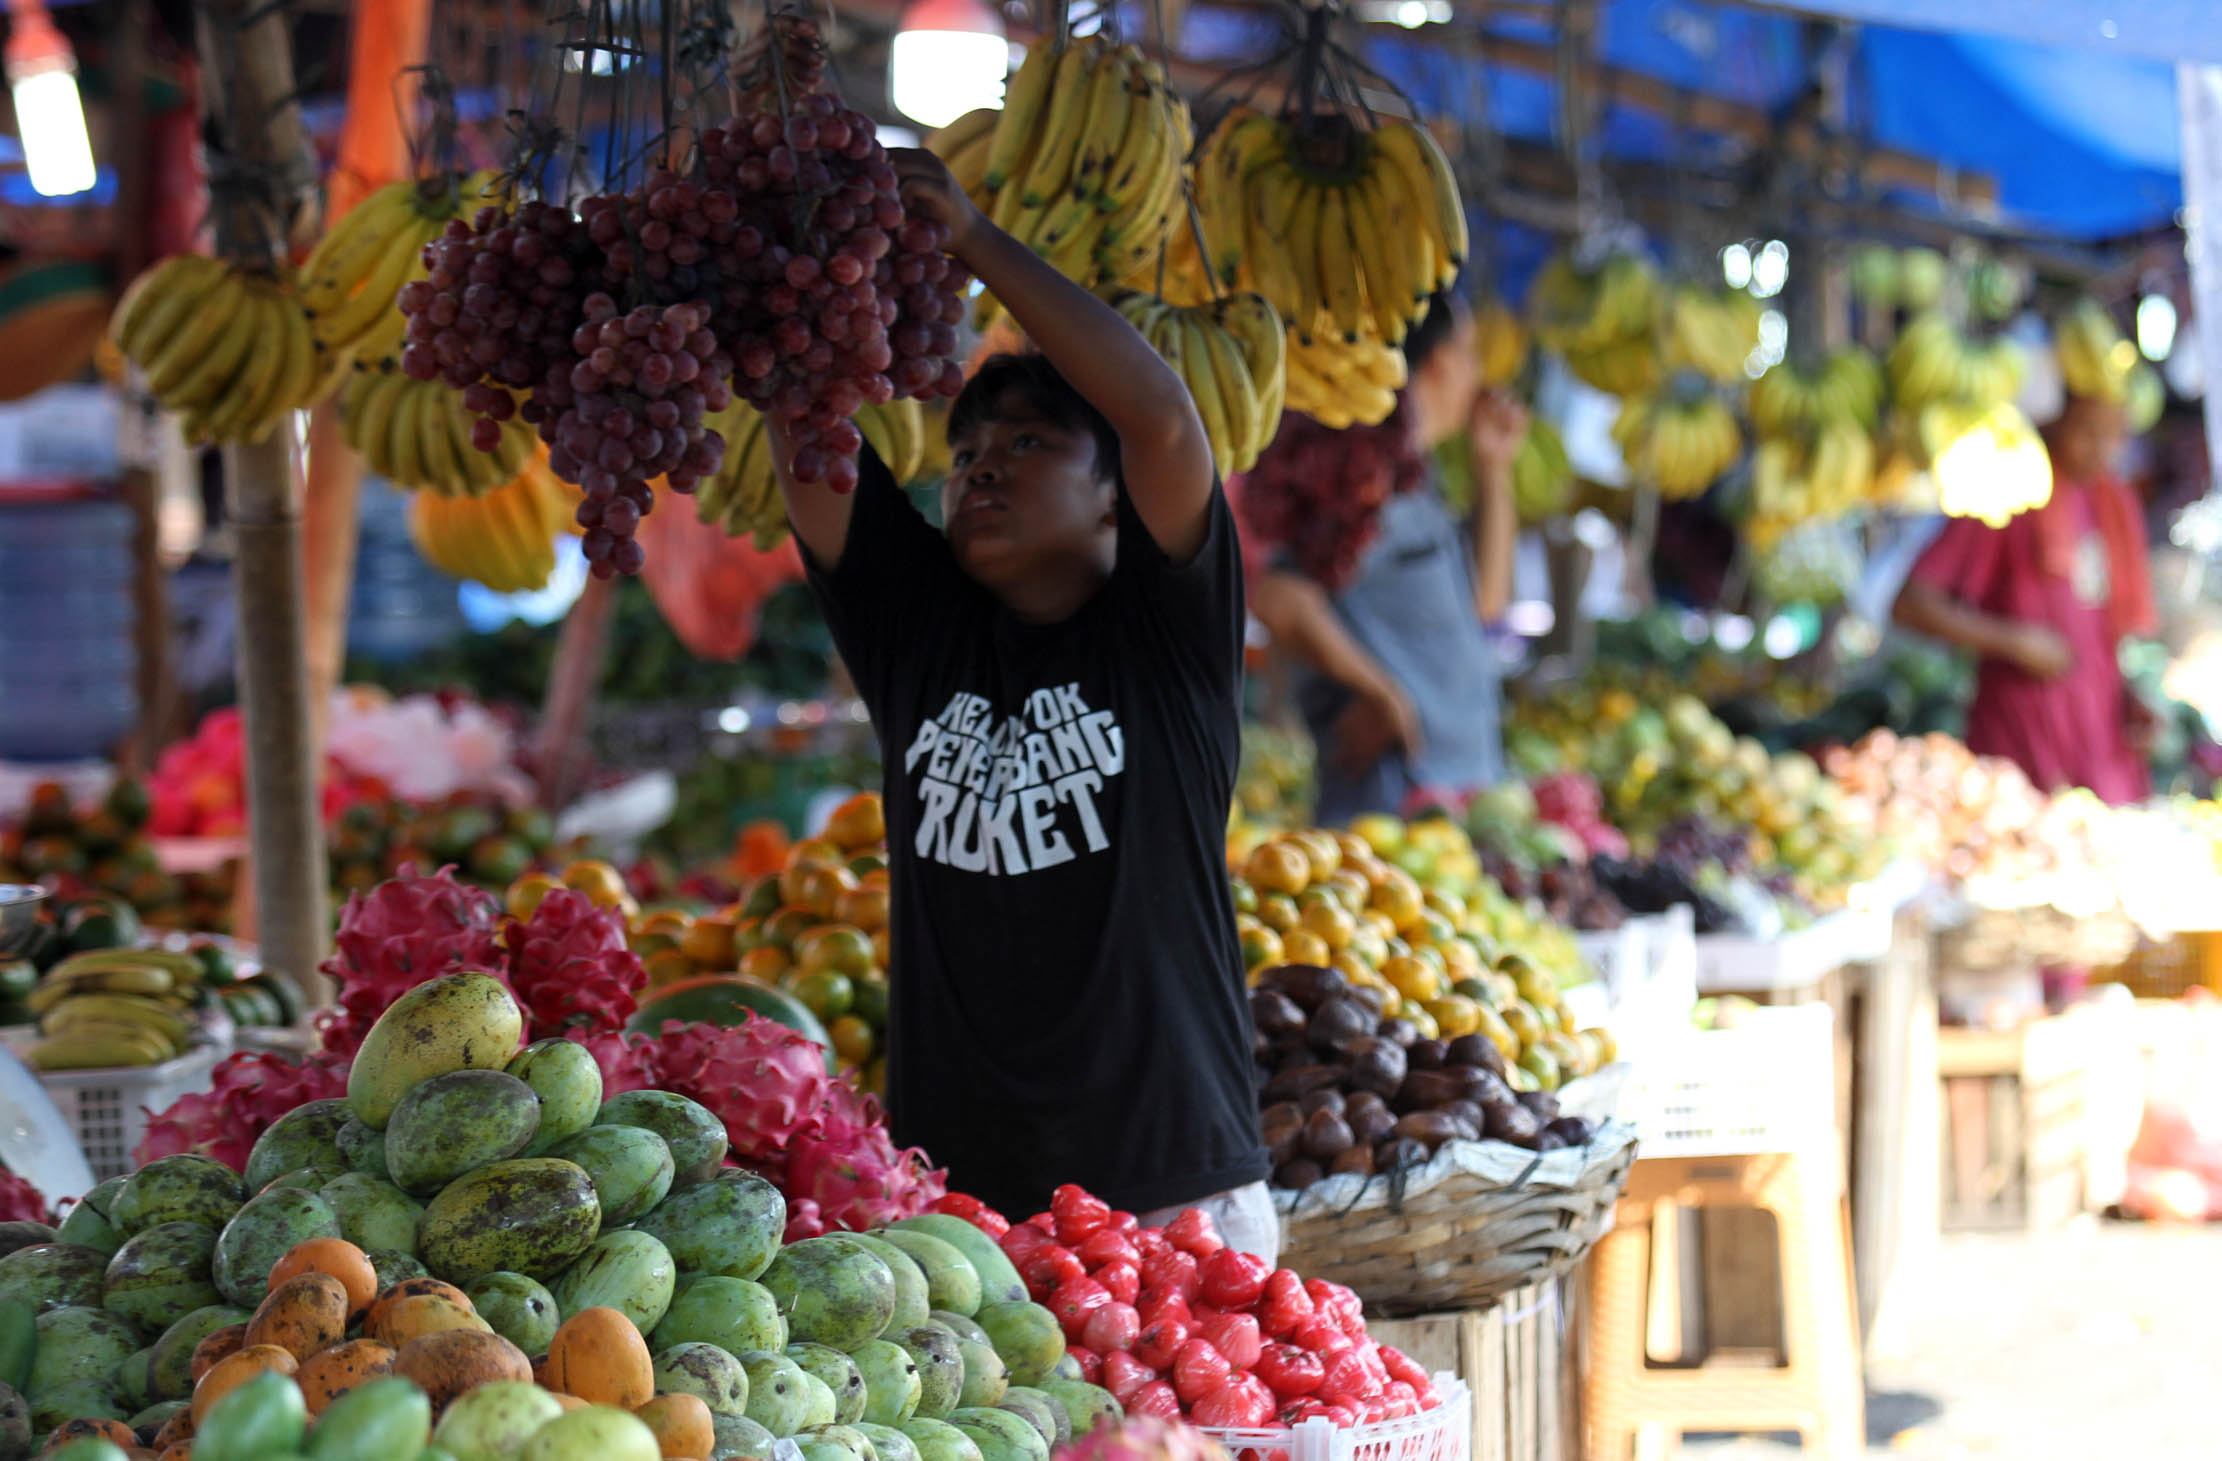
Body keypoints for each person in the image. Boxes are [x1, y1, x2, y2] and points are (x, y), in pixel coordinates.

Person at [774, 147, 1274, 1255]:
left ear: (1114, 505)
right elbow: (808, 446)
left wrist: (972, 243)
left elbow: (1160, 419)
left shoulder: (1164, 636)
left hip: (1168, 1196)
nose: (979, 469)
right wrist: (799, 261)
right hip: (962, 1217)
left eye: (1029, 445)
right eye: (964, 453)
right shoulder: (921, 638)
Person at [1249, 296, 1529, 824]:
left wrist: (1493, 468)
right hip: (1391, 792)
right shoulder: (1361, 478)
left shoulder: (1418, 477)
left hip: (1452, 789)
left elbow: (1486, 603)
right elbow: (1279, 599)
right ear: (1440, 363)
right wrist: (1384, 695)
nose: (1478, 373)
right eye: (1470, 353)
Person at [1893, 391, 2159, 803]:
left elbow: (2101, 625)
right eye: (2088, 431)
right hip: (2021, 748)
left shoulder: (2113, 503)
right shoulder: (2011, 492)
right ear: (2053, 421)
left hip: (2101, 750)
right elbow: (1911, 604)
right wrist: (2014, 642)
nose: (2103, 448)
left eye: (2116, 434)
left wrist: (2131, 695)